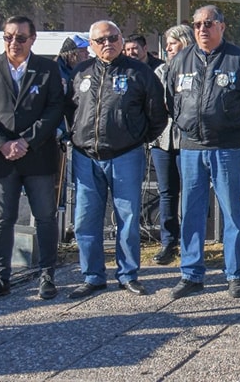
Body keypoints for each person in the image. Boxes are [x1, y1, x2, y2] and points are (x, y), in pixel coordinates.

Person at [165, 5, 240, 299]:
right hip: (192, 148)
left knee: (231, 212)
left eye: (209, 23)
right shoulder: (180, 60)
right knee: (191, 212)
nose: (202, 29)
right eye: (196, 25)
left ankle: (235, 275)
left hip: (227, 148)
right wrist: (186, 127)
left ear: (222, 26)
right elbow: (171, 100)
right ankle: (191, 274)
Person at [66, 20, 167, 299]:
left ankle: (127, 274)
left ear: (121, 40)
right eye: (100, 40)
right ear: (91, 44)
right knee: (86, 220)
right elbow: (68, 110)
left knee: (128, 217)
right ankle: (93, 276)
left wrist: (137, 137)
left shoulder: (140, 73)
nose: (107, 43)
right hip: (86, 157)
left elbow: (157, 114)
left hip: (125, 155)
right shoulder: (80, 72)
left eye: (113, 37)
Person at [0, 16, 65, 304]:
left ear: (33, 39)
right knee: (2, 219)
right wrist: (3, 144)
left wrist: (26, 141)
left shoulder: (47, 69)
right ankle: (0, 278)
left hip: (36, 155)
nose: (13, 43)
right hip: (1, 157)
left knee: (45, 217)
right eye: (8, 37)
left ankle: (47, 275)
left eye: (20, 38)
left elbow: (54, 109)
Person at [149, 23, 195, 265]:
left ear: (185, 42)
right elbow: (158, 105)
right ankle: (169, 241)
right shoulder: (159, 72)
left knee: (190, 193)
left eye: (173, 43)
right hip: (163, 139)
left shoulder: (196, 68)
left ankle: (191, 242)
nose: (168, 48)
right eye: (166, 44)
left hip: (189, 140)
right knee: (167, 192)